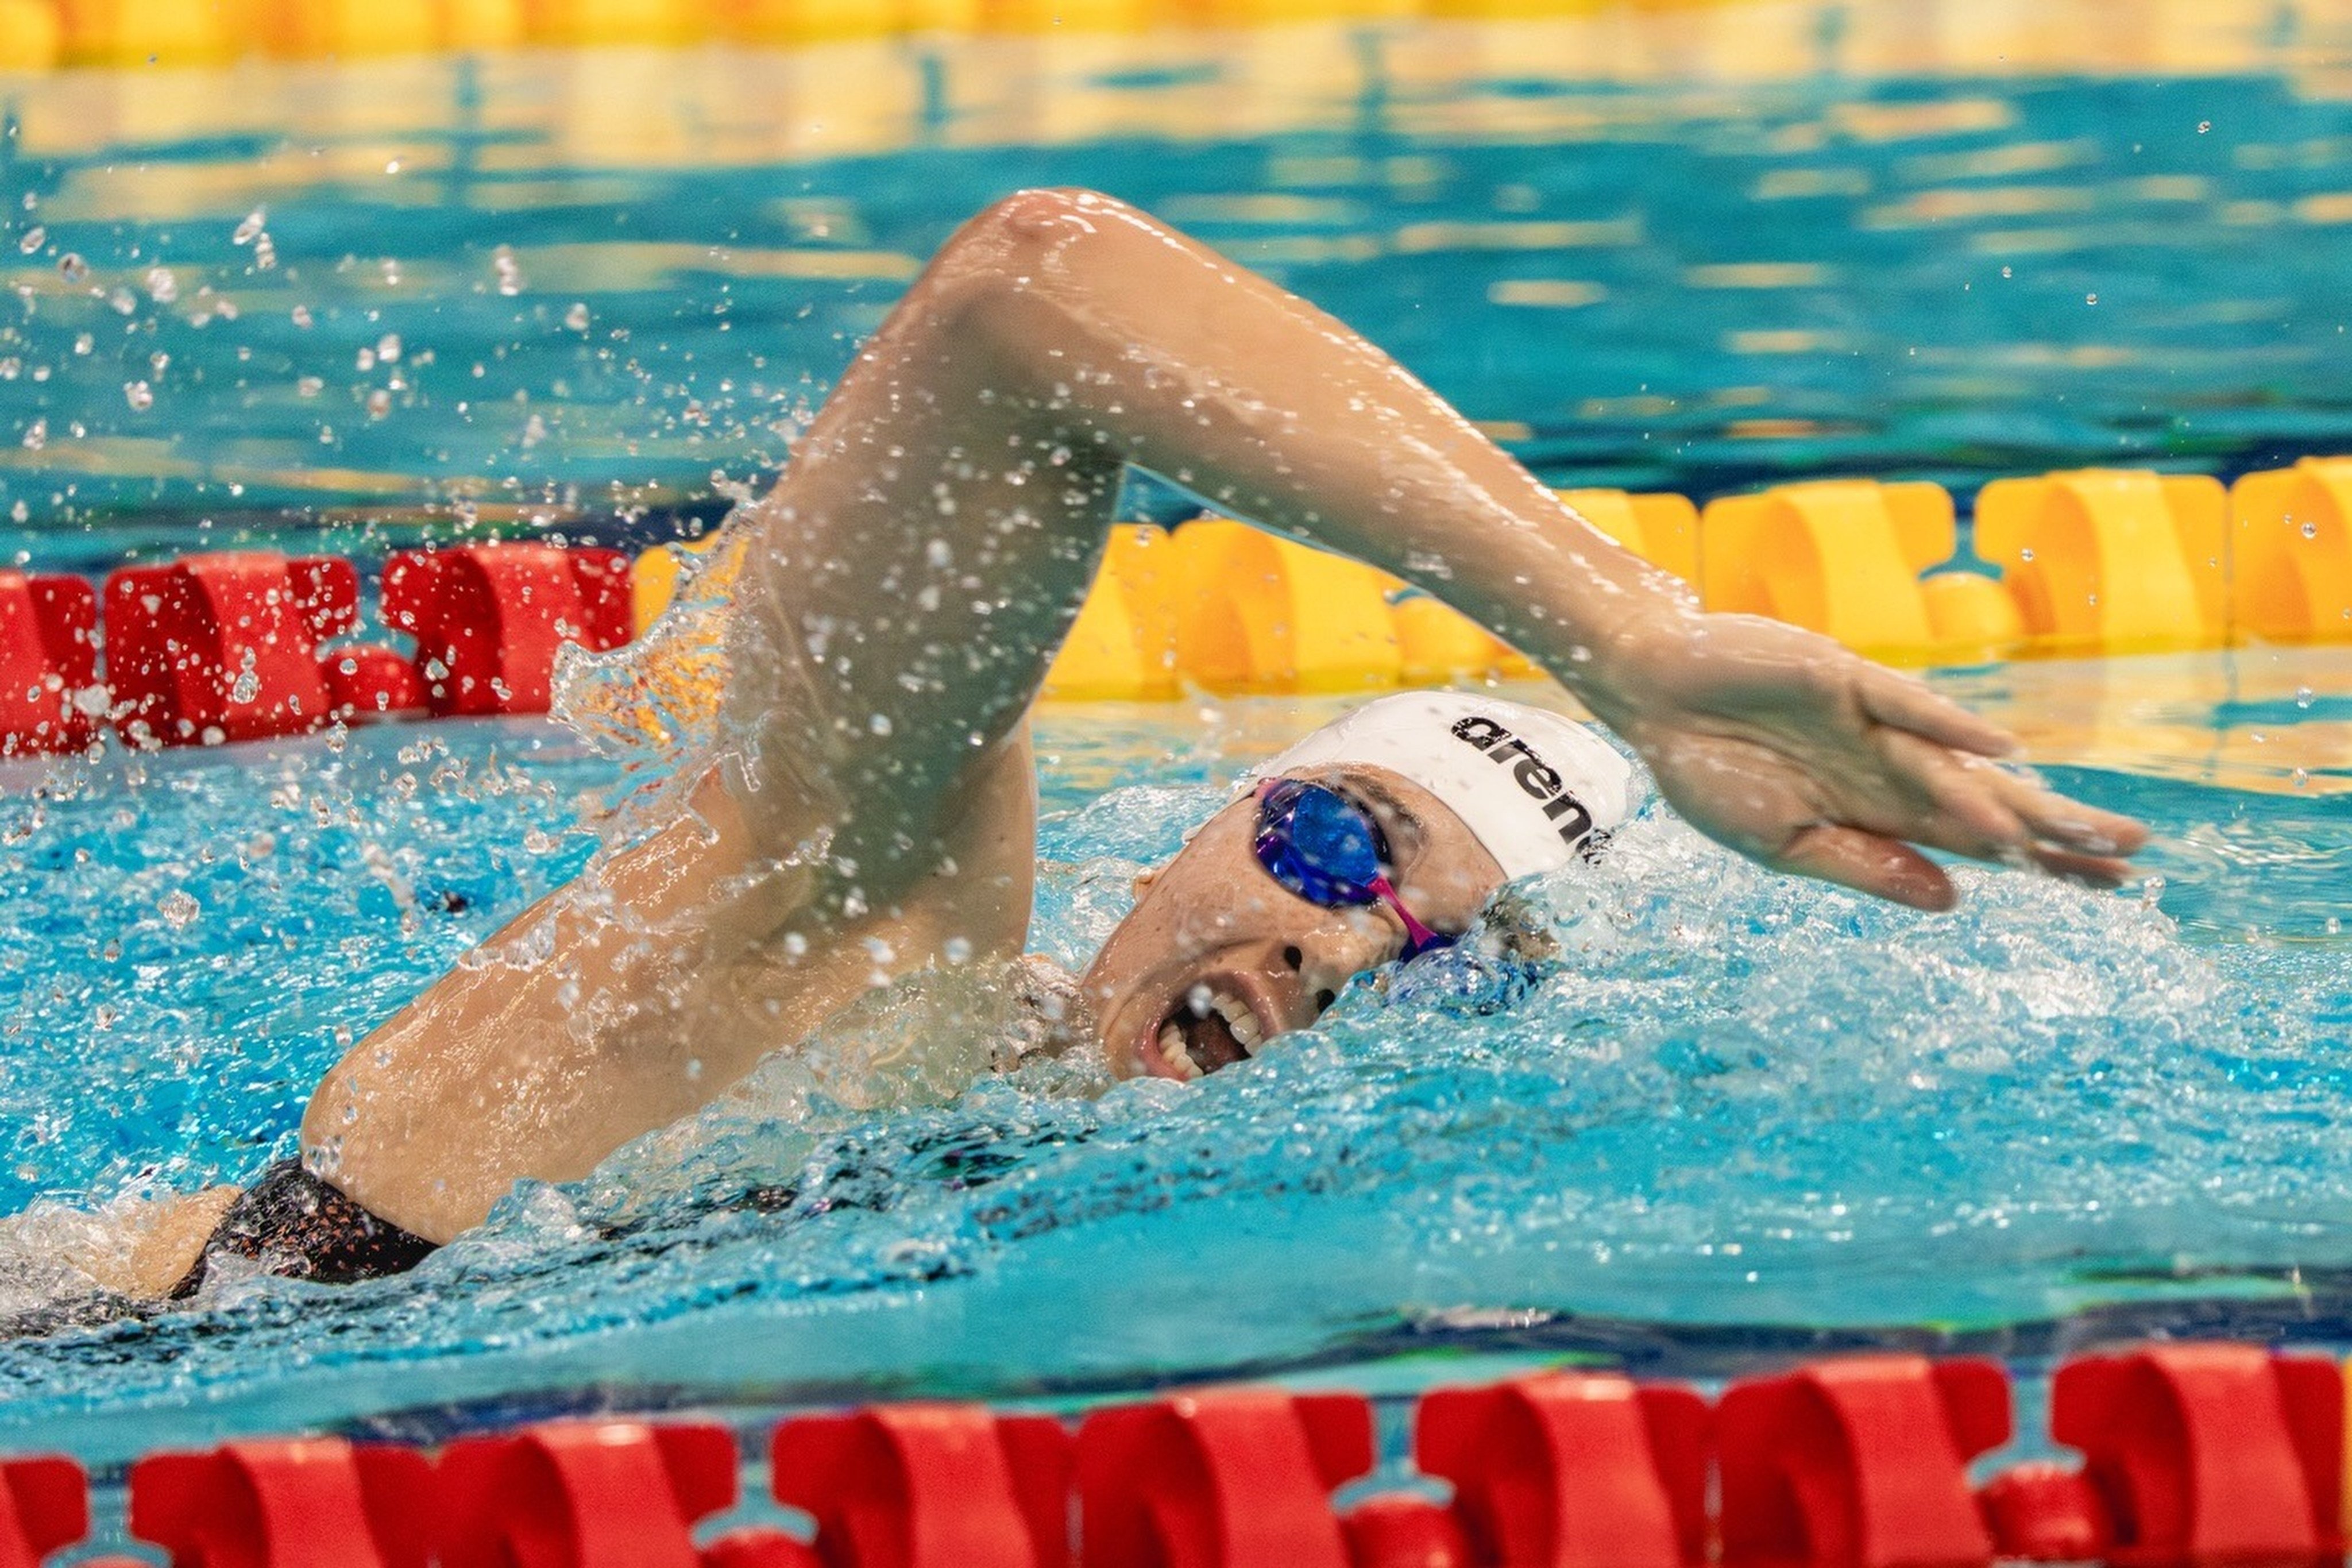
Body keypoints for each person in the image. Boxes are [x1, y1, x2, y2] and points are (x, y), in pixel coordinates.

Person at [67, 187, 2145, 1301]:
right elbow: (1029, 297)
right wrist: (1636, 639)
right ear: (1218, 821)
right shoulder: (866, 929)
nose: (1335, 947)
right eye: (1343, 849)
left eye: (1440, 953)